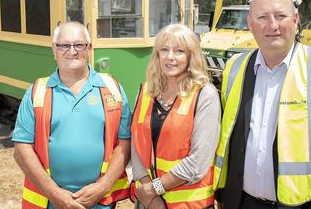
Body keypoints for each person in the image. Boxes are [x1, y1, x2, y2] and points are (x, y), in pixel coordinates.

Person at [213, 0, 311, 209]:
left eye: (280, 16)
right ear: (250, 24)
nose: (273, 25)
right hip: (241, 202)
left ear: (295, 19)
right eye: (262, 17)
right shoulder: (235, 68)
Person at [13, 21, 131, 209]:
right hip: (50, 202)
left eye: (79, 45)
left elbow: (124, 142)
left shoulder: (111, 87)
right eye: (64, 45)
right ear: (54, 49)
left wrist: (103, 186)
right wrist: (55, 194)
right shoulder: (37, 92)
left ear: (89, 48)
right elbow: (21, 149)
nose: (72, 51)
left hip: (100, 200)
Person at [130, 23, 221, 208]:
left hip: (188, 204)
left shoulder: (205, 94)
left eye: (179, 51)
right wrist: (150, 195)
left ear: (191, 57)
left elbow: (199, 161)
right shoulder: (146, 91)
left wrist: (154, 189)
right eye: (164, 50)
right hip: (149, 202)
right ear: (157, 55)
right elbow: (136, 142)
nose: (170, 57)